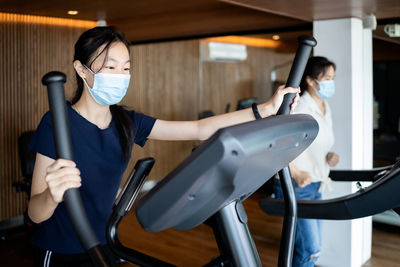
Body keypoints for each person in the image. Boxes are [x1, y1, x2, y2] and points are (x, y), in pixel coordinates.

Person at [27, 26, 300, 266]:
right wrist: (52, 194)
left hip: (104, 243)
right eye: (110, 67)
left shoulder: (126, 121)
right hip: (61, 249)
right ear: (80, 68)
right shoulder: (57, 123)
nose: (120, 75)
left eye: (126, 67)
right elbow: (35, 214)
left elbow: (198, 128)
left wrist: (265, 109)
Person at [273, 56, 340, 267]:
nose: (332, 82)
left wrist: (328, 156)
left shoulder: (325, 106)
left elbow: (314, 142)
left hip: (316, 182)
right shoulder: (299, 107)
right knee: (310, 249)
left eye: (333, 77)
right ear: (311, 80)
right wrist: (296, 172)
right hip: (298, 184)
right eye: (327, 77)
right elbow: (277, 144)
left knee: (307, 248)